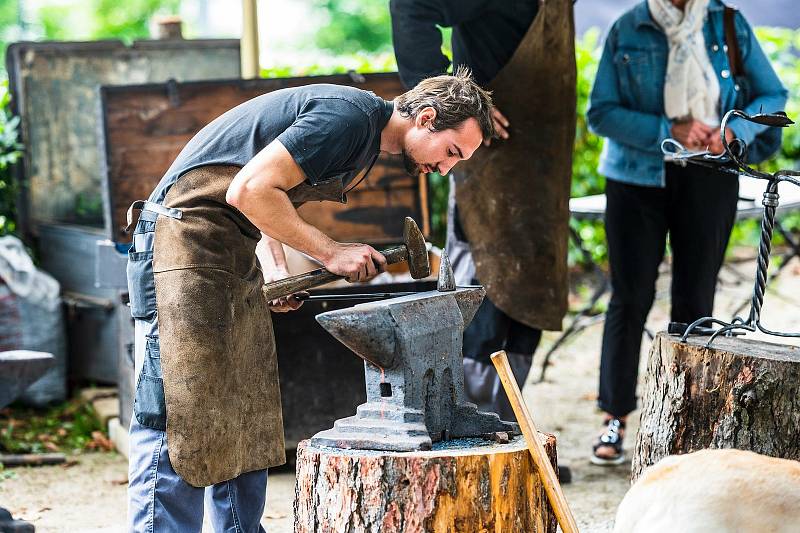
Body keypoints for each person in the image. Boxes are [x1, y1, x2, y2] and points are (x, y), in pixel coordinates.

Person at [125, 70, 494, 531]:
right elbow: (248, 190)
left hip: (226, 254)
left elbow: (263, 198)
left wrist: (277, 271)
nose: (445, 168)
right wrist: (330, 252)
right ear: (425, 117)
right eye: (451, 152)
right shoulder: (348, 118)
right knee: (176, 413)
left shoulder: (362, 138)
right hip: (178, 250)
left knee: (244, 410)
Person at [587, 0, 786, 465]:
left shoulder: (727, 22)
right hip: (635, 179)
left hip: (712, 174)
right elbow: (601, 112)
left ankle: (684, 420)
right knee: (629, 297)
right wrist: (667, 127)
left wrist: (731, 128)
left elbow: (772, 94)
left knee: (696, 300)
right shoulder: (628, 27)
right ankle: (614, 416)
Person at [390, 0, 547, 422]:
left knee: (530, 295)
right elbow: (411, 5)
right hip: (489, 168)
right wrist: (462, 107)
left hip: (542, 171)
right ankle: (464, 420)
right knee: (483, 291)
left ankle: (507, 422)